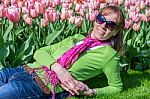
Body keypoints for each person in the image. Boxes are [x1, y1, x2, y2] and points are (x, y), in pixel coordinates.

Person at [0, 6, 125, 99]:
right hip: (21, 70)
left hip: (37, 85)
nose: (103, 25)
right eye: (101, 19)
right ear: (95, 20)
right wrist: (59, 69)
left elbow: (116, 87)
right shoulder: (76, 37)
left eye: (110, 25)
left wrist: (91, 92)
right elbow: (39, 52)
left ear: (116, 31)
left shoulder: (109, 55)